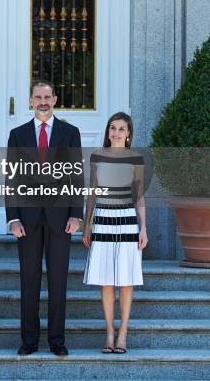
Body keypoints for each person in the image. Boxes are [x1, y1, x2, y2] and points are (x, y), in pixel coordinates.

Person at [6, 81, 84, 356]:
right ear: (30, 101)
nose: (42, 101)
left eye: (47, 97)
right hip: (26, 220)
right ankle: (28, 341)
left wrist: (77, 214)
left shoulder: (70, 133)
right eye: (37, 97)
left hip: (61, 218)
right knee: (29, 281)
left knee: (58, 282)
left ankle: (56, 341)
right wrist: (12, 218)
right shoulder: (17, 135)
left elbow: (77, 175)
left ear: (55, 99)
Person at [83, 112, 148, 354]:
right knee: (107, 282)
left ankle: (123, 334)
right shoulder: (97, 156)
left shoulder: (135, 158)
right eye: (113, 128)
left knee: (126, 281)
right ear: (108, 131)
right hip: (103, 221)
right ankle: (109, 332)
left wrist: (144, 228)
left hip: (127, 222)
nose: (116, 133)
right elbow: (92, 193)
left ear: (128, 133)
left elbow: (140, 195)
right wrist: (87, 225)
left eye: (122, 129)